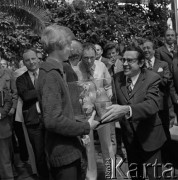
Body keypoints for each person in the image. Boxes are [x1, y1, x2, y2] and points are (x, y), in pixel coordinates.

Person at [38, 25, 99, 180]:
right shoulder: (50, 74)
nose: (71, 49)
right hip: (63, 152)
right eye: (68, 44)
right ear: (58, 46)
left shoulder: (57, 70)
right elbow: (52, 120)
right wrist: (85, 127)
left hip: (69, 149)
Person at [101, 46, 167, 180]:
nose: (125, 64)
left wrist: (126, 109)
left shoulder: (152, 78)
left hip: (150, 138)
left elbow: (152, 105)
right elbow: (112, 101)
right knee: (136, 176)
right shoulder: (117, 78)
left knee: (154, 176)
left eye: (130, 61)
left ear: (141, 63)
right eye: (123, 60)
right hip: (130, 139)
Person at [78, 43, 116, 180]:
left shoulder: (102, 66)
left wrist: (108, 94)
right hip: (86, 113)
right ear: (81, 56)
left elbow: (108, 84)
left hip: (102, 110)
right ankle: (91, 175)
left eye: (91, 57)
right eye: (85, 57)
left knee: (107, 144)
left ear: (96, 56)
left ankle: (110, 174)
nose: (89, 61)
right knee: (88, 145)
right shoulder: (76, 69)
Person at [16, 48, 49, 180]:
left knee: (54, 151)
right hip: (33, 122)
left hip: (50, 118)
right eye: (27, 60)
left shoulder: (47, 75)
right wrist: (42, 90)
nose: (31, 62)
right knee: (39, 154)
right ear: (24, 62)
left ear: (38, 59)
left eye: (33, 58)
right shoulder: (20, 79)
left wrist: (34, 92)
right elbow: (25, 96)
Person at [0, 69, 14, 180]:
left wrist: (1, 114)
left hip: (2, 126)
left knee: (5, 159)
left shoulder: (3, 80)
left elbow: (8, 100)